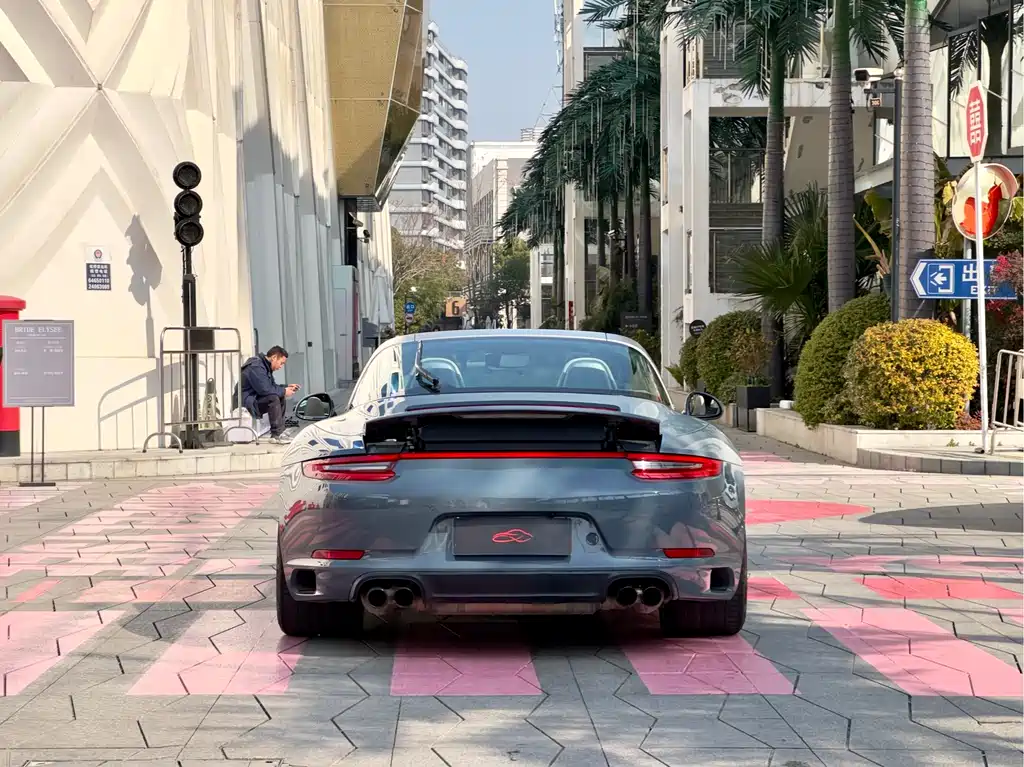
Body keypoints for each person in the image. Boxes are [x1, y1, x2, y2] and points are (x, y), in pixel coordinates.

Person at [241, 346, 300, 442]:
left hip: (254, 399)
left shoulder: (264, 367)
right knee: (273, 398)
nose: (281, 367)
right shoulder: (256, 367)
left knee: (279, 396)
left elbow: (271, 386)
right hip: (247, 402)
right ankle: (277, 434)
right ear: (274, 357)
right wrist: (284, 391)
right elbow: (265, 390)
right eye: (281, 363)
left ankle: (280, 432)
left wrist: (286, 387)